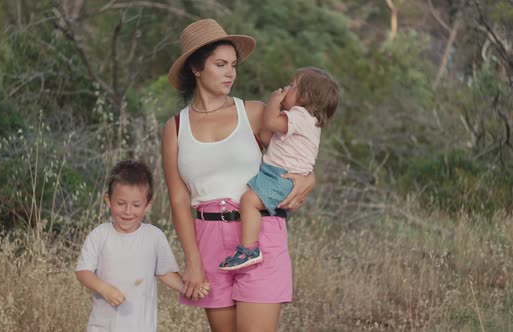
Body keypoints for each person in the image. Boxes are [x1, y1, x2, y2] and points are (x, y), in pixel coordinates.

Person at [161, 19, 315, 331]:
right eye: (220, 64)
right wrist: (192, 261)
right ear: (196, 67)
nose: (231, 72)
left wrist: (311, 179)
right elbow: (178, 200)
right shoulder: (175, 128)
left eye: (233, 65)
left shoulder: (256, 113)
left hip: (260, 235)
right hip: (208, 240)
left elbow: (301, 149)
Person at [219, 67, 340, 270]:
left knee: (248, 201)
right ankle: (248, 248)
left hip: (281, 177)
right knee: (251, 200)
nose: (286, 88)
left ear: (305, 96)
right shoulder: (305, 120)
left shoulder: (300, 116)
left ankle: (249, 249)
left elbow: (270, 122)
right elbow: (270, 139)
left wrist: (274, 100)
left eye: (292, 86)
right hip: (280, 175)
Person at [75, 160, 209, 332]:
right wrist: (104, 289)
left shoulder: (154, 237)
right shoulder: (100, 235)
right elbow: (83, 271)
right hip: (104, 327)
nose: (128, 211)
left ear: (147, 205)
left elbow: (165, 272)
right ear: (108, 201)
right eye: (121, 203)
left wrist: (188, 288)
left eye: (136, 205)